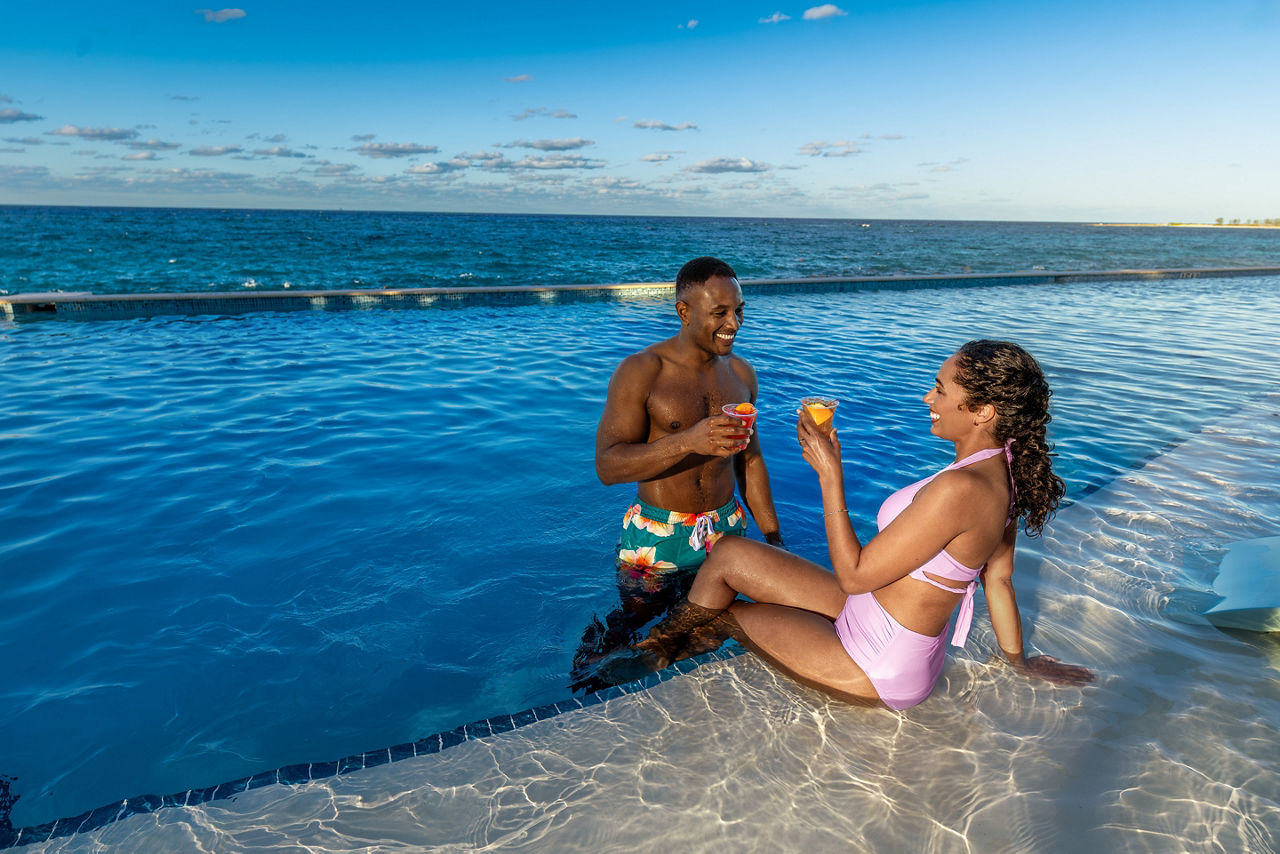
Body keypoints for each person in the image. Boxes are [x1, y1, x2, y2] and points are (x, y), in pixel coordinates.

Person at [615, 339, 1095, 709]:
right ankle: (651, 648)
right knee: (730, 555)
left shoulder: (963, 490)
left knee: (723, 616)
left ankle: (631, 666)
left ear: (983, 411)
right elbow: (1001, 577)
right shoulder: (1001, 466)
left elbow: (855, 575)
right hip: (867, 615)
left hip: (876, 663)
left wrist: (830, 476)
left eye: (942, 390)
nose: (929, 397)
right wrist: (1019, 661)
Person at [571, 257, 784, 689]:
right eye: (720, 313)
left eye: (740, 310)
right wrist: (688, 440)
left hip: (726, 528)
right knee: (630, 630)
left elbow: (751, 462)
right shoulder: (643, 371)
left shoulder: (742, 375)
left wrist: (775, 541)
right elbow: (607, 466)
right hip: (657, 536)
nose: (734, 323)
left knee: (711, 626)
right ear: (684, 312)